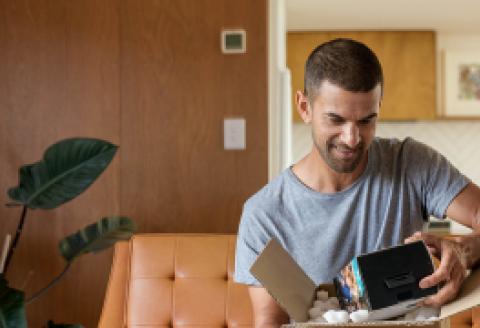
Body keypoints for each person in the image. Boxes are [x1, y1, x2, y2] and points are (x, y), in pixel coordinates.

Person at [233, 38, 480, 327]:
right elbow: (269, 322)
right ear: (304, 106)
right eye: (335, 120)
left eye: (366, 120)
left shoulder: (411, 162)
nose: (352, 139)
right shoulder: (263, 214)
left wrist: (465, 250)